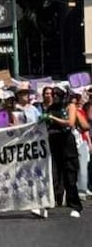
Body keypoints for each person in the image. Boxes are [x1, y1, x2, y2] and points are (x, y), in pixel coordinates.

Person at [45, 89, 87, 218]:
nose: (54, 98)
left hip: (67, 144)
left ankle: (75, 206)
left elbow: (70, 123)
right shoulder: (49, 108)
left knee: (70, 176)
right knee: (54, 175)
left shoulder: (70, 106)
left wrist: (52, 118)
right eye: (53, 95)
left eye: (56, 95)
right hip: (54, 143)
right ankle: (50, 202)